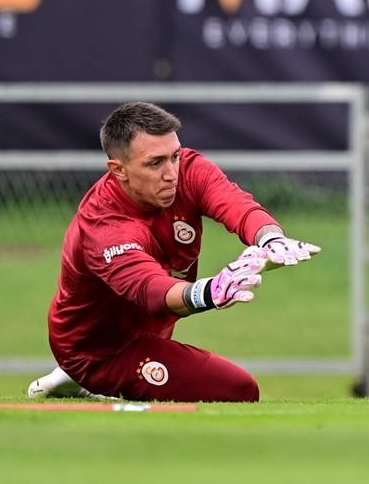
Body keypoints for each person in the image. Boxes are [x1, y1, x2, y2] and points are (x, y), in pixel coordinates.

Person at [27, 101, 320, 403]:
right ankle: (82, 377)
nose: (171, 173)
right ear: (119, 170)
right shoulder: (104, 225)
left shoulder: (187, 169)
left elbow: (234, 204)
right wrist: (210, 292)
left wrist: (270, 239)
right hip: (100, 351)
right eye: (155, 163)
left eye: (174, 156)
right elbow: (152, 292)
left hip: (148, 333)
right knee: (239, 390)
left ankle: (71, 382)